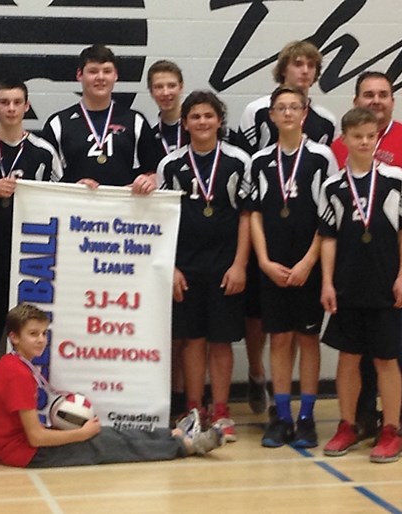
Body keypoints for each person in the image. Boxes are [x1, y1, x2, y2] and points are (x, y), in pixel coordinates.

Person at [330, 71, 402, 437]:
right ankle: (361, 417)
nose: (376, 100)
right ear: (355, 101)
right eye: (368, 94)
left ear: (392, 100)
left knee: (395, 348)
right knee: (355, 353)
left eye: (383, 94)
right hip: (351, 274)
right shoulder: (338, 147)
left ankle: (397, 419)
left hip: (392, 269)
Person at [0, 304, 225, 468]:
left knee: (106, 433)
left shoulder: (15, 365)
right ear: (14, 337)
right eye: (33, 334)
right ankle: (186, 446)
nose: (41, 340)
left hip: (17, 446)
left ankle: (171, 434)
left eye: (44, 333)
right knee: (101, 444)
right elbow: (35, 437)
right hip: (23, 453)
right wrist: (80, 434)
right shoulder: (16, 374)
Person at [236, 40, 337, 415]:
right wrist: (259, 258)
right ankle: (260, 380)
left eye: (311, 65)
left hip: (308, 246)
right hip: (267, 240)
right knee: (264, 323)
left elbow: (328, 203)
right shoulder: (254, 115)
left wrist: (313, 260)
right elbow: (251, 192)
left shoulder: (325, 130)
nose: (305, 71)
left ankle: (305, 413)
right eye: (298, 64)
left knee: (306, 337)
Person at [0, 79, 62, 446]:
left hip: (35, 258)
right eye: (3, 102)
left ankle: (36, 408)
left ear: (26, 106)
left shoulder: (43, 151)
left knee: (34, 334)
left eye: (17, 102)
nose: (10, 108)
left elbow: (63, 196)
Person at [318, 108, 402, 463]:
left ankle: (391, 429)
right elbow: (327, 238)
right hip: (346, 286)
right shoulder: (333, 187)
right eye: (357, 136)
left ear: (377, 138)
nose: (364, 142)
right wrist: (327, 282)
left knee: (387, 360)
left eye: (370, 136)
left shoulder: (395, 179)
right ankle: (348, 424)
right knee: (348, 358)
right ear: (344, 140)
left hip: (385, 285)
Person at [156, 91, 251, 443]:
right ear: (185, 123)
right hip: (187, 266)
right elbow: (163, 219)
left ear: (219, 120)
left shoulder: (239, 161)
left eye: (208, 116)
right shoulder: (171, 164)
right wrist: (171, 267)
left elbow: (246, 216)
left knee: (221, 341)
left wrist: (241, 264)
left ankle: (222, 409)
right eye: (195, 116)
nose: (202, 122)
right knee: (192, 340)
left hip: (226, 266)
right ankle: (194, 408)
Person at [42, 44, 158, 194]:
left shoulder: (136, 121)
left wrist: (149, 180)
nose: (101, 77)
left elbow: (153, 171)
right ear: (79, 75)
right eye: (93, 71)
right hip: (73, 212)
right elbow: (43, 181)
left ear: (116, 75)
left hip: (125, 213)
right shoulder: (58, 124)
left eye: (107, 71)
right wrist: (72, 187)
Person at [147, 60, 188, 161]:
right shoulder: (148, 134)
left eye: (171, 86)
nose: (165, 92)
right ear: (151, 91)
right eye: (159, 87)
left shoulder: (197, 128)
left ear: (181, 87)